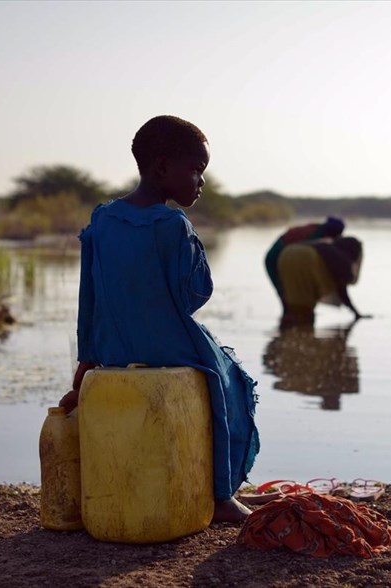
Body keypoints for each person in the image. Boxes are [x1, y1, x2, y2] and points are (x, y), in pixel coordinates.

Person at [58, 115, 259, 524]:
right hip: (167, 342)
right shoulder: (172, 224)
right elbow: (194, 296)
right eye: (197, 170)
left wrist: (86, 362)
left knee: (221, 374)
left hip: (112, 346)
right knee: (227, 380)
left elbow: (88, 297)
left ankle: (212, 486)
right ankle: (221, 493)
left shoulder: (102, 218)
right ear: (163, 168)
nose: (201, 181)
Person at [277, 236, 368, 326]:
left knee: (294, 302)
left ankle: (286, 330)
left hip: (286, 253)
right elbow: (341, 289)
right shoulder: (341, 258)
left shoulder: (325, 248)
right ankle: (298, 333)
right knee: (305, 311)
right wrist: (356, 313)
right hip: (306, 256)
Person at [264, 217, 345, 312]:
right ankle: (289, 317)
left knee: (286, 293)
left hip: (281, 256)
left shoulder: (317, 230)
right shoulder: (317, 234)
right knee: (283, 292)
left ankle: (289, 316)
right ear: (333, 232)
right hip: (275, 258)